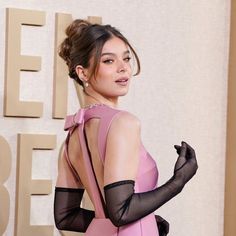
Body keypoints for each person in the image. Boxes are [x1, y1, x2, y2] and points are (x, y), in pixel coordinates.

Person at [54, 19, 198, 236]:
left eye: (126, 58)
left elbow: (66, 216)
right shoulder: (123, 123)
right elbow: (121, 212)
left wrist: (145, 218)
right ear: (83, 73)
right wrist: (178, 182)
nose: (123, 68)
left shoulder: (74, 133)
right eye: (109, 61)